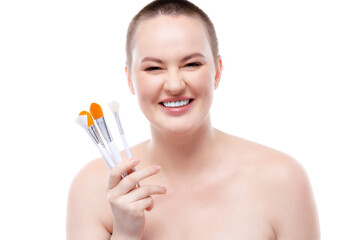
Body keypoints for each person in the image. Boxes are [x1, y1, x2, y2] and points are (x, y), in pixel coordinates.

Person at [66, 0, 320, 239]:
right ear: (130, 79)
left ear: (217, 72)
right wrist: (125, 233)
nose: (175, 85)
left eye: (192, 64)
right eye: (154, 68)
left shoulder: (282, 180)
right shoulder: (92, 188)